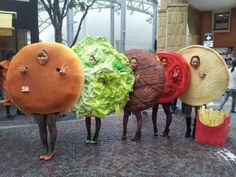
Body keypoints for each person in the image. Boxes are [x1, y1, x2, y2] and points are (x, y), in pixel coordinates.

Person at [122, 57, 143, 141]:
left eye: (135, 63)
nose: (133, 64)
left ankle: (138, 133)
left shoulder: (140, 73)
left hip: (136, 97)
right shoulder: (126, 73)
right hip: (127, 97)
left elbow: (143, 85)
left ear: (137, 64)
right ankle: (124, 132)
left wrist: (139, 81)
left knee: (138, 115)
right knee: (126, 114)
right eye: (132, 63)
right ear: (129, 63)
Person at [185, 56, 205, 138]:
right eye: (193, 62)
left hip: (199, 94)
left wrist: (204, 76)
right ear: (191, 62)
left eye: (196, 62)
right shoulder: (188, 70)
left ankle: (195, 130)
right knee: (188, 112)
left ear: (199, 63)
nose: (195, 63)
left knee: (198, 113)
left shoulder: (203, 70)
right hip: (189, 93)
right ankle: (188, 129)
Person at [84, 55, 102, 144]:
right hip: (87, 93)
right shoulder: (86, 68)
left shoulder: (100, 69)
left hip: (97, 93)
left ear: (96, 60)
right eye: (90, 59)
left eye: (93, 59)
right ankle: (88, 134)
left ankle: (96, 134)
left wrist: (101, 80)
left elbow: (105, 81)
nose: (91, 61)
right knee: (87, 115)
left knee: (97, 115)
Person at [0, 50, 15, 119]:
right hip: (6, 82)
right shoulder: (2, 64)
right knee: (7, 98)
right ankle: (8, 114)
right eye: (12, 55)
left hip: (15, 82)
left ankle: (19, 111)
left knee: (17, 97)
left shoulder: (16, 62)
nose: (13, 57)